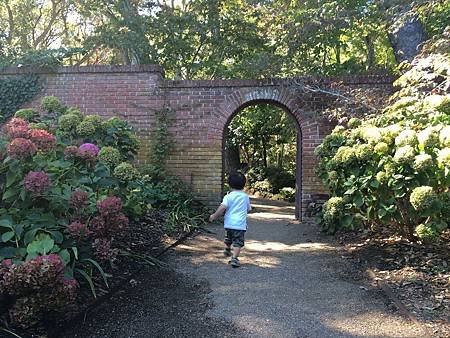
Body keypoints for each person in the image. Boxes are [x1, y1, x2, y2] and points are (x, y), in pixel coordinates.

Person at [209, 172, 252, 268]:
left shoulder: (228, 196)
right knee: (238, 242)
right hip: (240, 225)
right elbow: (249, 209)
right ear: (244, 184)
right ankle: (234, 258)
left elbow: (222, 208)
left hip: (229, 224)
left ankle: (227, 249)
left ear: (229, 185)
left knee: (228, 238)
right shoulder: (245, 197)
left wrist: (214, 216)